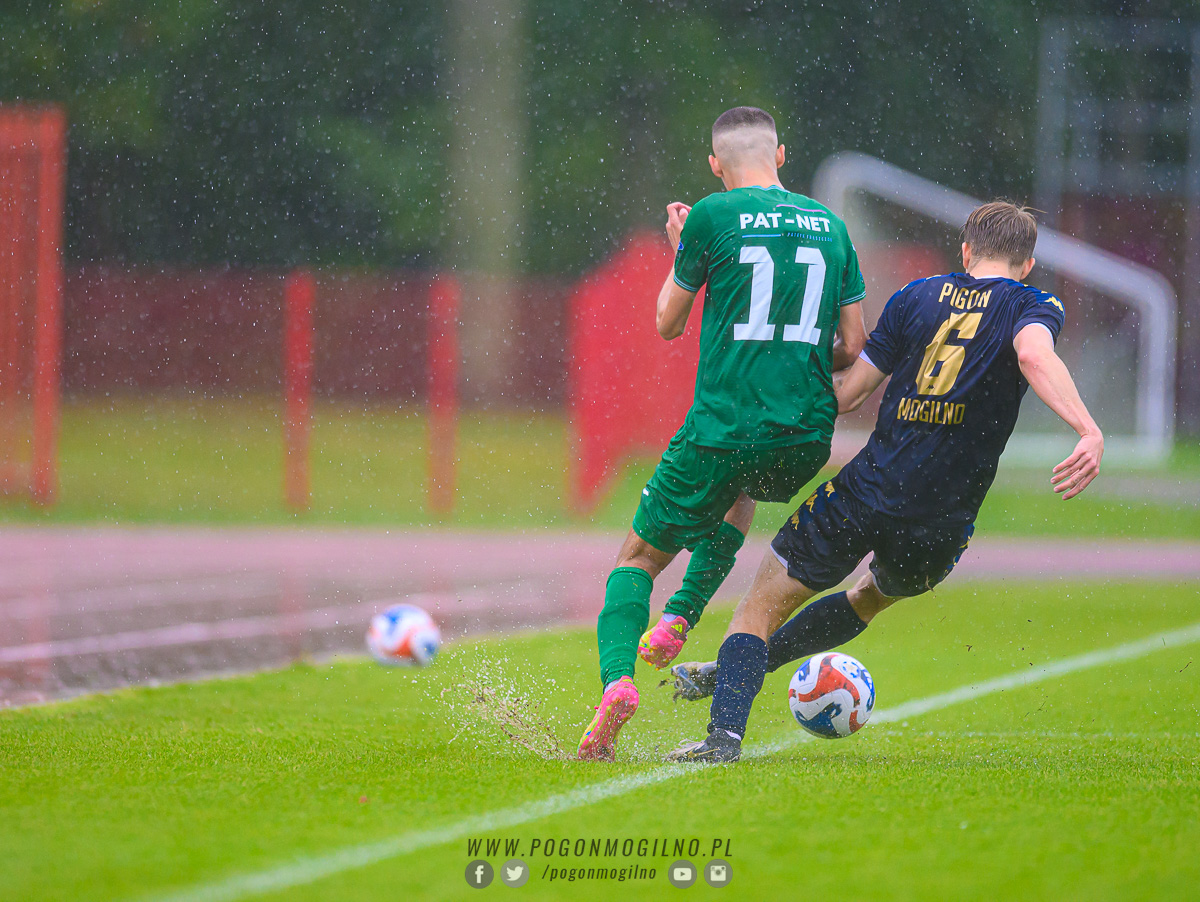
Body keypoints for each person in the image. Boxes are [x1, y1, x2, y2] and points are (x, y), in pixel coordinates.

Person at [666, 201, 1104, 763]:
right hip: (943, 517)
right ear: (1028, 264)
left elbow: (848, 395)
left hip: (866, 491)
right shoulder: (1033, 303)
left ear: (966, 251)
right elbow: (1033, 354)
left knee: (759, 607)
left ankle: (723, 736)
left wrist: (769, 379)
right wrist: (1086, 429)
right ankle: (744, 669)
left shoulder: (914, 297)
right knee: (868, 598)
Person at [577, 106, 868, 761]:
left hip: (722, 427)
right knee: (740, 491)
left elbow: (667, 323)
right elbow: (853, 345)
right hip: (803, 437)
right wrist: (796, 354)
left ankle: (618, 681)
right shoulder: (831, 225)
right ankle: (682, 614)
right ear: (781, 155)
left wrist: (683, 249)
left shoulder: (711, 215)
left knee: (636, 558)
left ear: (715, 164)